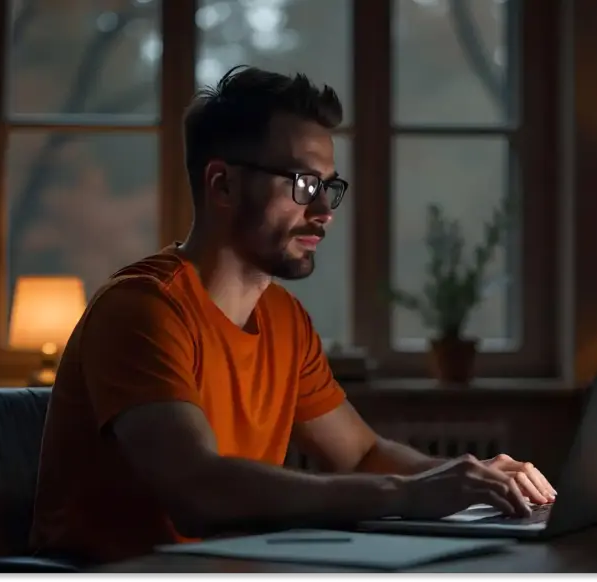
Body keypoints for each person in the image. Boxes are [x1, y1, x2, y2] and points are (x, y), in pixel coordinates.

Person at [29, 66, 555, 565]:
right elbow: (199, 491)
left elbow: (362, 454)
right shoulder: (143, 309)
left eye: (330, 188)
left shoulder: (284, 318)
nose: (324, 210)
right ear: (223, 185)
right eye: (304, 185)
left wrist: (473, 478)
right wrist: (408, 494)